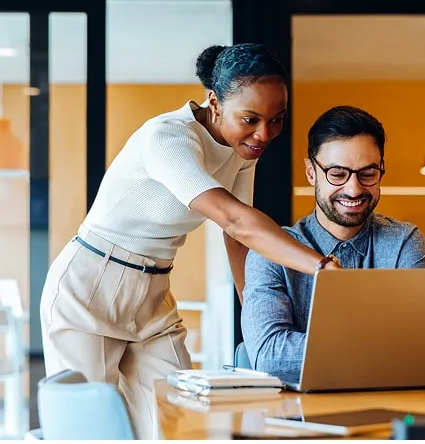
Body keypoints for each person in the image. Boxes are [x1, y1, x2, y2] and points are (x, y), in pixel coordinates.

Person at [40, 43, 339, 439]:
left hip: (153, 293)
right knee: (91, 432)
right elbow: (235, 220)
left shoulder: (242, 150)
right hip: (89, 286)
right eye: (250, 118)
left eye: (277, 119)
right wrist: (321, 266)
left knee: (180, 423)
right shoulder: (167, 138)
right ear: (214, 102)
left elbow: (238, 242)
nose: (264, 133)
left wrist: (255, 317)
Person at [241, 105, 425, 377]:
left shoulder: (403, 243)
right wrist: (383, 345)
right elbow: (270, 356)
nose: (354, 189)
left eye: (367, 174)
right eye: (338, 174)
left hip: (388, 410)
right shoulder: (269, 252)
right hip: (297, 417)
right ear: (311, 173)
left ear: (382, 170)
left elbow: (420, 350)